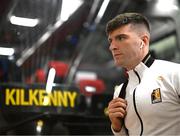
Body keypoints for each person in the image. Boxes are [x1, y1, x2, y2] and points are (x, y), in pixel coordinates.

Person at [106, 12, 180, 135]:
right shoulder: (120, 92)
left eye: (121, 38)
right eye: (111, 40)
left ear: (143, 41)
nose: (112, 47)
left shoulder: (175, 74)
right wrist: (117, 128)